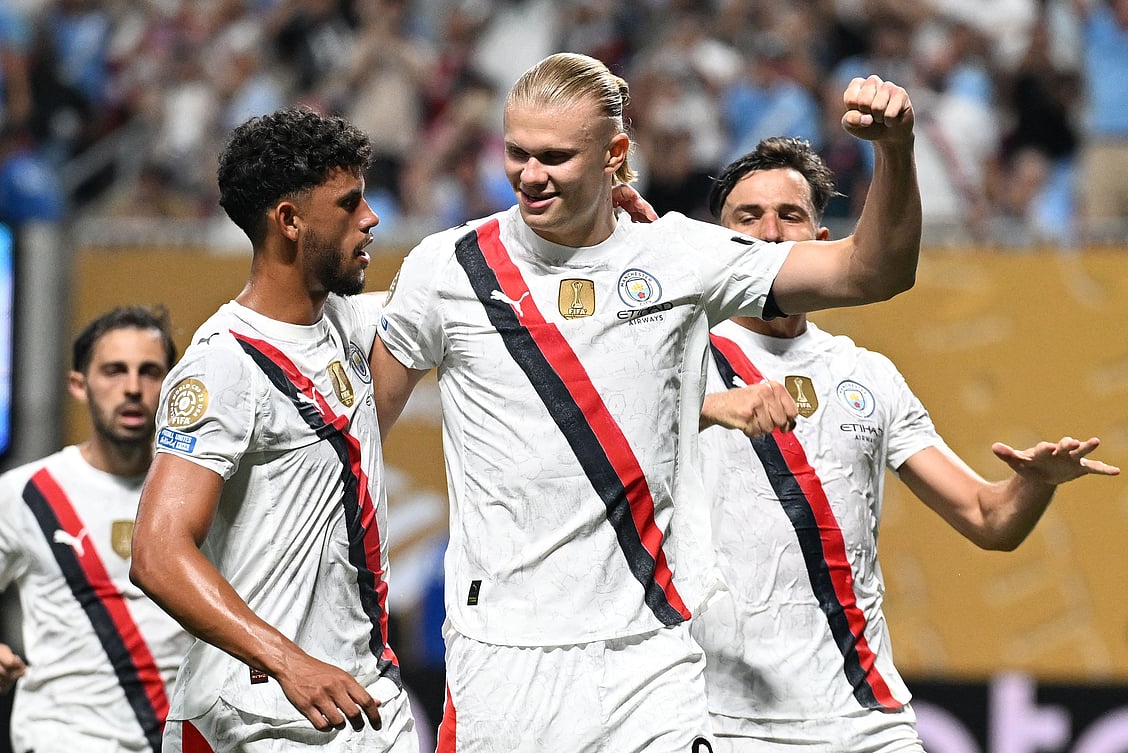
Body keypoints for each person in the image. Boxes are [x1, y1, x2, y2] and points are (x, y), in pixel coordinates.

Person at [370, 52, 921, 753]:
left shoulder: (677, 257)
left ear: (614, 154)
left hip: (649, 662)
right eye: (516, 152)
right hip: (502, 660)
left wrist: (896, 151)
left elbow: (872, 270)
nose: (530, 175)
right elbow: (359, 440)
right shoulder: (446, 269)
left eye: (556, 156)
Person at [693, 135, 1121, 752]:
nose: (770, 232)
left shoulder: (867, 375)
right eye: (748, 217)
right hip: (723, 720)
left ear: (821, 238)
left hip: (864, 720)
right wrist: (709, 407)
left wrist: (1035, 483)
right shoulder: (676, 357)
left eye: (790, 216)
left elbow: (989, 518)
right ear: (719, 240)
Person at [128, 106, 417, 753]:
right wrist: (288, 660)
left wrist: (593, 211)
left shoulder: (348, 323)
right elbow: (157, 551)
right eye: (348, 205)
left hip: (351, 701)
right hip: (258, 718)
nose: (371, 219)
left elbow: (465, 288)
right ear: (288, 220)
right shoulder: (225, 363)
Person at [0, 305, 191, 753]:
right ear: (78, 384)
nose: (132, 387)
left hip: (174, 737)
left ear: (172, 385)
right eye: (114, 371)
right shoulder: (27, 492)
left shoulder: (198, 494)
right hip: (63, 737)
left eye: (150, 372)